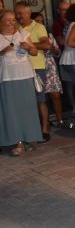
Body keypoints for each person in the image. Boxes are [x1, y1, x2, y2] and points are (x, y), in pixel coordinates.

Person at [0, 10, 42, 155]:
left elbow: (35, 52)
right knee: (12, 110)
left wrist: (29, 47)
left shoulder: (22, 34)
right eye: (8, 20)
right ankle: (17, 140)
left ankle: (30, 137)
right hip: (8, 77)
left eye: (13, 20)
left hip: (25, 75)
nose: (12, 22)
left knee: (27, 108)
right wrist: (3, 51)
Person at [15, 2, 52, 142]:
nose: (18, 16)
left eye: (20, 13)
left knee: (40, 99)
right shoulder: (15, 28)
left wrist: (29, 45)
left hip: (37, 67)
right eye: (16, 13)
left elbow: (47, 45)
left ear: (28, 13)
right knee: (25, 101)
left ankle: (44, 129)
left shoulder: (38, 27)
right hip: (21, 69)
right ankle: (30, 130)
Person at [32, 13, 64, 127]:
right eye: (37, 20)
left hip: (50, 67)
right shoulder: (29, 35)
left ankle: (60, 120)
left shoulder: (49, 35)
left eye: (42, 20)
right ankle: (44, 123)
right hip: (37, 67)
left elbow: (58, 52)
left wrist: (54, 49)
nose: (40, 23)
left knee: (55, 95)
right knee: (40, 98)